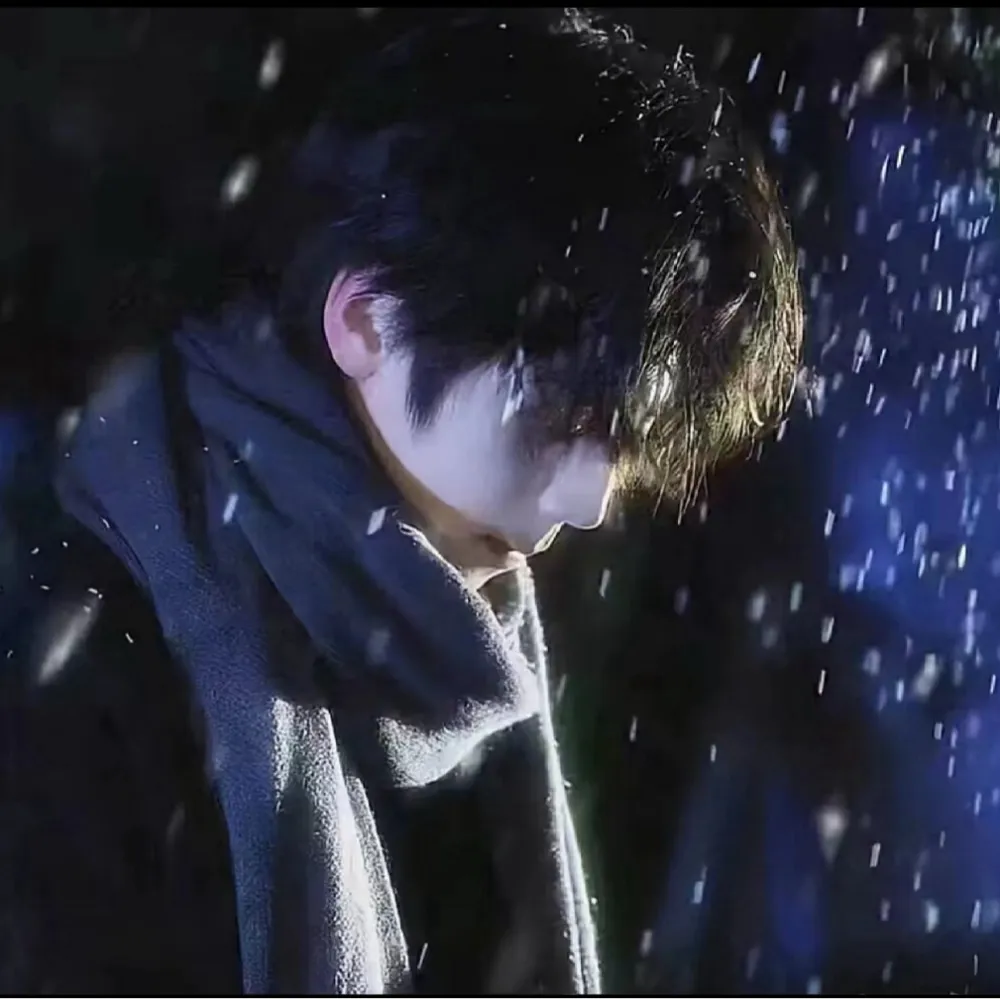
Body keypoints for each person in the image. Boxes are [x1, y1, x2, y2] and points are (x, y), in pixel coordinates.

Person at [0, 9, 803, 995]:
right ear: (366, 320)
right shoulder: (78, 638)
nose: (592, 501)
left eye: (624, 444)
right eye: (561, 419)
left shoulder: (461, 656)